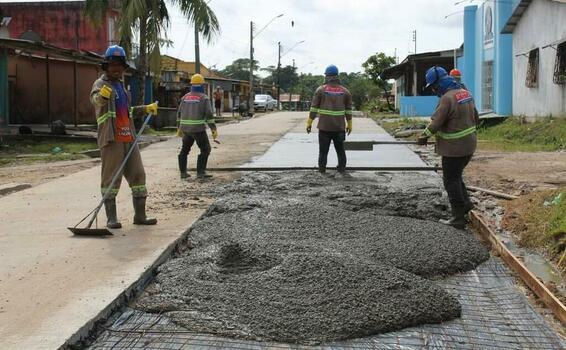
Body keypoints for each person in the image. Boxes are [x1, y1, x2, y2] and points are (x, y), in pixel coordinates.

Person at [90, 45, 158, 229]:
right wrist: (102, 97)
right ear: (106, 66)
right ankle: (111, 218)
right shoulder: (100, 84)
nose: (116, 68)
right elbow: (95, 99)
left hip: (128, 136)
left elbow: (126, 112)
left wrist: (145, 109)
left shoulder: (122, 87)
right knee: (111, 178)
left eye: (119, 65)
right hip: (112, 139)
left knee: (138, 175)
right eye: (112, 64)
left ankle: (140, 215)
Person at [418, 66, 479, 229]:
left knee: (450, 180)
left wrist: (423, 136)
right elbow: (476, 116)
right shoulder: (465, 94)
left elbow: (435, 123)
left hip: (455, 149)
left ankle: (458, 217)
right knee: (457, 176)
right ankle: (466, 205)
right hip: (469, 145)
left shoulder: (447, 98)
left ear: (439, 83)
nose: (434, 90)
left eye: (434, 86)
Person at [306, 65, 353, 174]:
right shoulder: (345, 92)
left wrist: (309, 123)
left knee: (323, 152)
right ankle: (341, 170)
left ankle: (322, 170)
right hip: (339, 128)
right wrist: (349, 124)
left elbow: (313, 108)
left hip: (324, 128)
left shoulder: (320, 90)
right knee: (341, 151)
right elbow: (349, 110)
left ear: (326, 76)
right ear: (337, 76)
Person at [177, 74, 218, 179]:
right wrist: (213, 129)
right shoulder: (204, 98)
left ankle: (183, 173)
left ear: (192, 85)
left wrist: (179, 128)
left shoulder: (184, 97)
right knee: (205, 149)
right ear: (202, 85)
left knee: (184, 150)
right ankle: (200, 172)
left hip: (185, 129)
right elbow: (209, 115)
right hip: (198, 129)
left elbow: (179, 113)